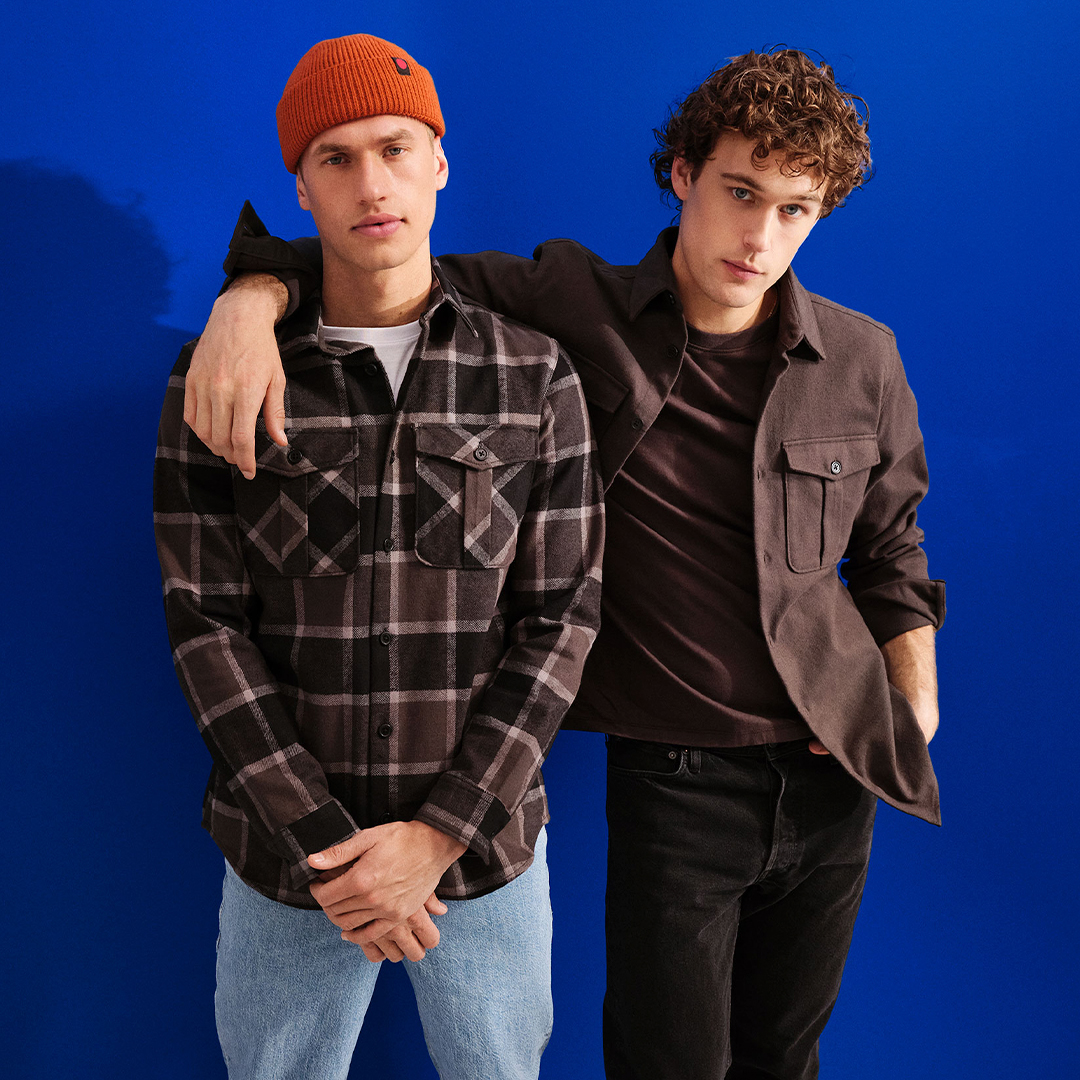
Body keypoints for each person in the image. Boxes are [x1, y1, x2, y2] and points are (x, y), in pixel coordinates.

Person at [184, 47, 944, 1080]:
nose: (761, 237)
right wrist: (251, 295)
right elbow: (384, 253)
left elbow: (893, 552)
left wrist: (913, 700)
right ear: (682, 174)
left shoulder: (862, 358)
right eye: (740, 193)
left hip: (834, 760)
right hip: (673, 772)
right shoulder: (571, 306)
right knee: (667, 1060)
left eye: (795, 210)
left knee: (785, 1057)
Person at [153, 33, 604, 1080]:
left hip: (482, 855)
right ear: (300, 189)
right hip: (286, 860)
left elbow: (562, 620)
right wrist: (325, 844)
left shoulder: (535, 378)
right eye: (337, 158)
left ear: (439, 162)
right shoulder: (218, 379)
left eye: (396, 148)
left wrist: (438, 835)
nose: (372, 184)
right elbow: (204, 623)